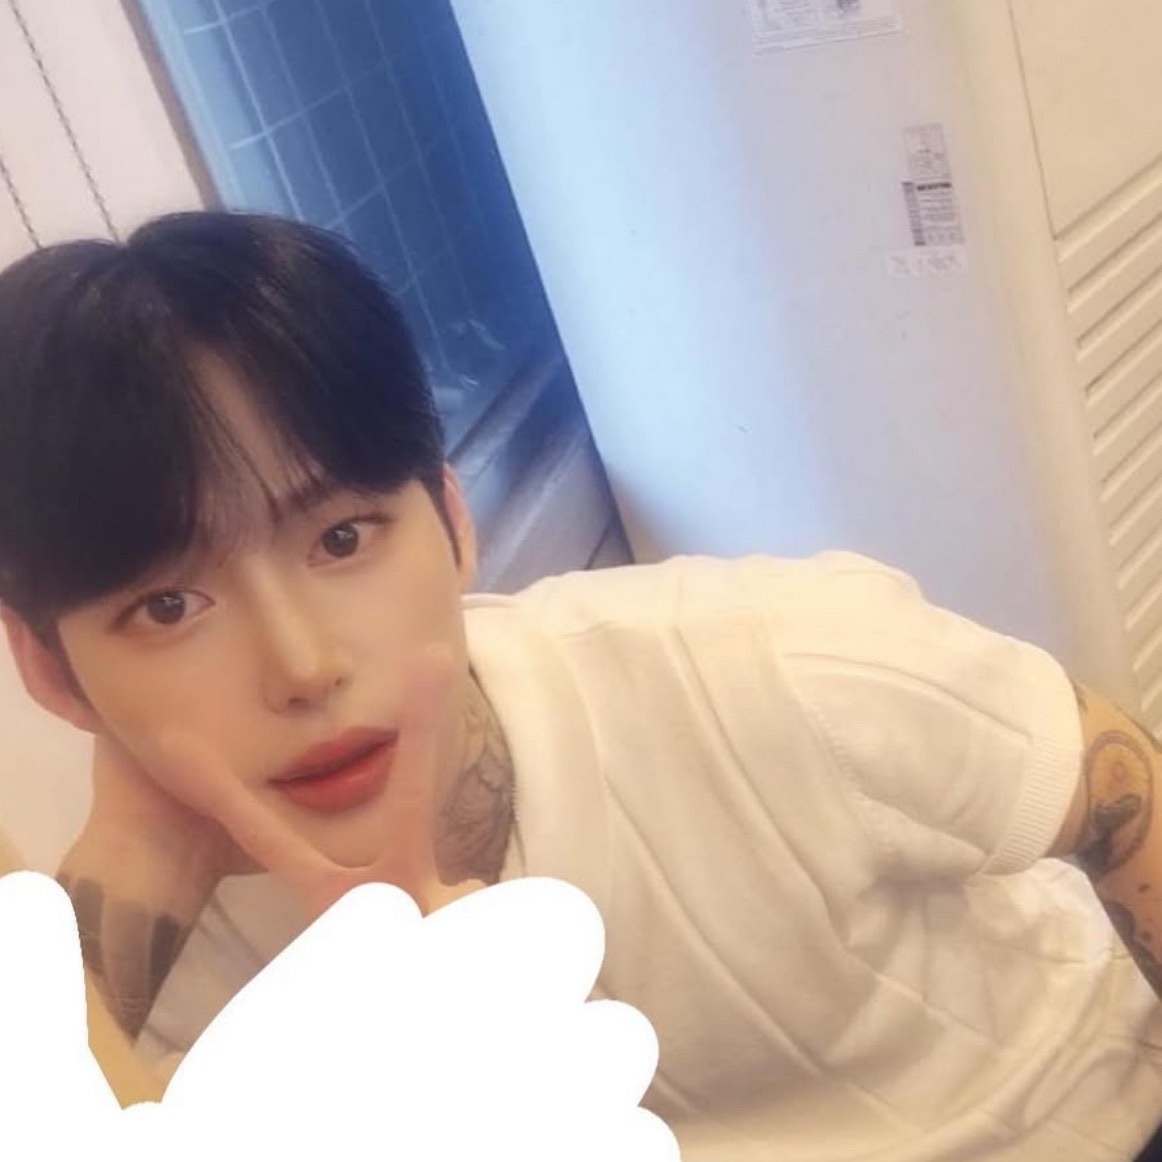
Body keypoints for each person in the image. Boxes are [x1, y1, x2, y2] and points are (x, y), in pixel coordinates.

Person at [0, 210, 1160, 1162]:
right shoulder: (147, 1026)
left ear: (451, 520)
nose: (303, 666)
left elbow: (1109, 777)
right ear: (51, 670)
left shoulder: (762, 663)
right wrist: (133, 863)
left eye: (343, 537)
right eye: (168, 606)